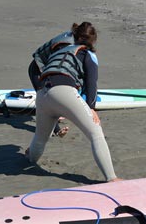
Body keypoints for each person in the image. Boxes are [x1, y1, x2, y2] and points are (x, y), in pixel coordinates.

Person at [26, 22, 121, 182]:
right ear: (93, 41)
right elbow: (92, 84)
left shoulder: (58, 50)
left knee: (40, 138)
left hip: (42, 94)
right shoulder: (87, 54)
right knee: (96, 133)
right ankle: (112, 179)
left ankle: (30, 159)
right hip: (64, 92)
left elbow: (33, 67)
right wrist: (91, 108)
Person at [29, 28, 76, 137]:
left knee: (53, 96)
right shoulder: (66, 44)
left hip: (45, 69)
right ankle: (56, 130)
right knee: (46, 99)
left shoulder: (70, 39)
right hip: (36, 70)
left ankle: (56, 118)